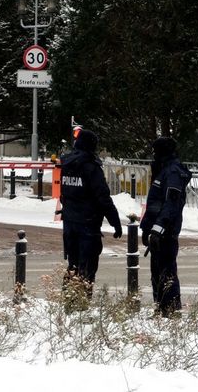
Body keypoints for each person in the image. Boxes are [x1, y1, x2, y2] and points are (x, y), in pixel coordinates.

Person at [57, 127, 122, 307]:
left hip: (70, 224)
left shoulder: (67, 164)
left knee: (73, 266)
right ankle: (81, 306)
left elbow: (64, 195)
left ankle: (69, 303)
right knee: (87, 268)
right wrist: (115, 222)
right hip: (88, 225)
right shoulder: (90, 167)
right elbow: (103, 198)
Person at [140, 136, 191, 317]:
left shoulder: (172, 172)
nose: (153, 155)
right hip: (158, 231)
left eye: (156, 151)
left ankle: (170, 312)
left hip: (166, 232)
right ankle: (161, 309)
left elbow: (171, 204)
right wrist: (147, 227)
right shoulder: (163, 170)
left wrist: (158, 228)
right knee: (158, 273)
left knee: (166, 272)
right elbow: (155, 204)